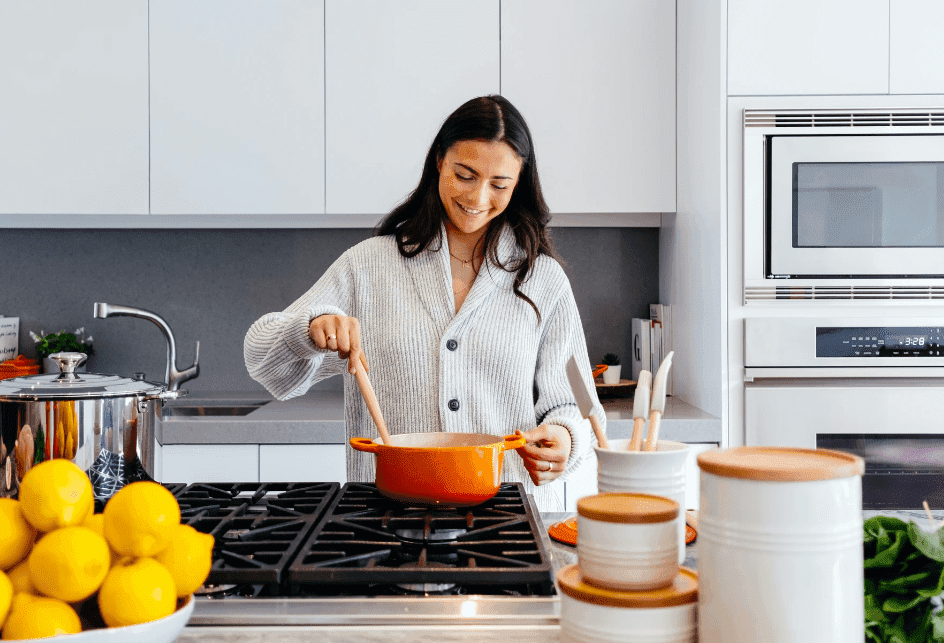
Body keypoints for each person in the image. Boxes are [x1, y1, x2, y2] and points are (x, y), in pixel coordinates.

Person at [244, 95, 605, 511]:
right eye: (465, 175)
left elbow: (574, 405)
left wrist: (563, 438)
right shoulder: (370, 266)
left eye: (499, 184)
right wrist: (308, 330)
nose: (479, 196)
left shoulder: (542, 279)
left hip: (506, 519)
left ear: (519, 182)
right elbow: (262, 361)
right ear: (439, 162)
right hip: (384, 519)